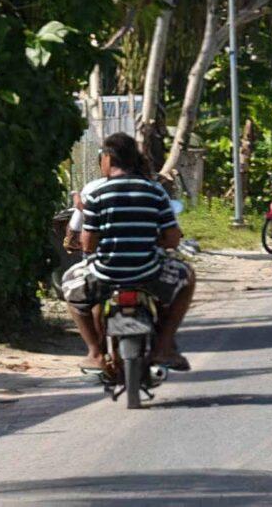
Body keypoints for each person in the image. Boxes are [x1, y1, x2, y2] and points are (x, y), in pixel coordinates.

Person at [61, 133, 195, 371]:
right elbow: (173, 239)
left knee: (69, 285)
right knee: (187, 278)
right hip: (149, 274)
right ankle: (164, 347)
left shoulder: (96, 194)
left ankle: (95, 353)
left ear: (108, 159)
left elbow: (89, 244)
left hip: (105, 276)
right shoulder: (155, 192)